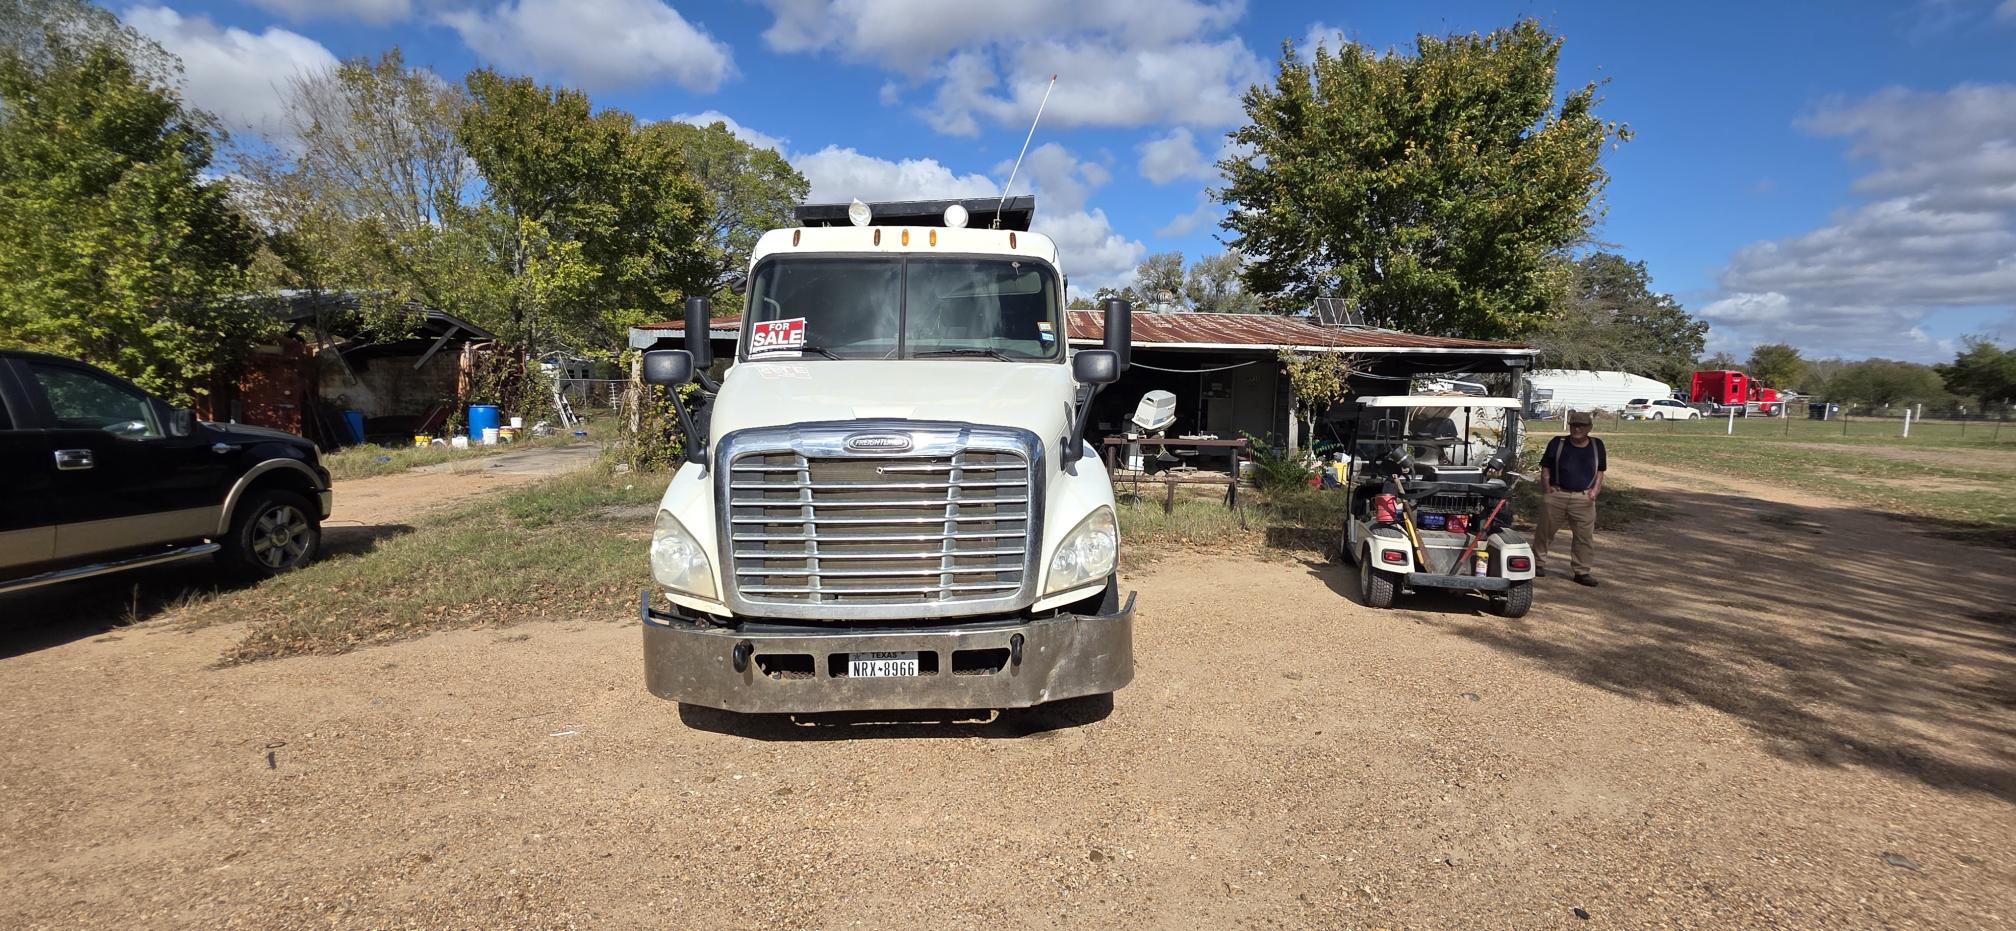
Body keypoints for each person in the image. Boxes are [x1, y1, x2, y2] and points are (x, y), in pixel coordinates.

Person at [1535, 410, 1605, 586]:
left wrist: (1595, 491)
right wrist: (1547, 488)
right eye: (1574, 425)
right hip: (1557, 494)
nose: (1577, 429)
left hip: (1584, 497)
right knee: (1544, 531)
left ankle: (1582, 571)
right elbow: (1545, 468)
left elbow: (1600, 471)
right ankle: (1537, 563)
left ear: (1589, 427)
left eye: (1581, 425)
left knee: (1584, 537)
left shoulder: (1597, 445)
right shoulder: (1558, 443)